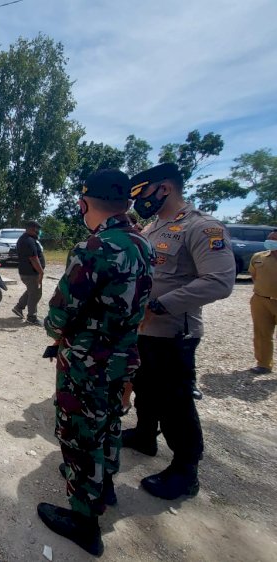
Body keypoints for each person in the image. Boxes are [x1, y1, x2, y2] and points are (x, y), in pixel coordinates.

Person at [37, 169, 153, 556]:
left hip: (88, 363)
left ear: (85, 203)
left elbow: (59, 313)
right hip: (123, 357)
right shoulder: (143, 243)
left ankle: (85, 521)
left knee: (79, 434)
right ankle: (104, 486)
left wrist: (56, 333)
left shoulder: (94, 247)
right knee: (109, 424)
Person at [123, 163, 235, 500]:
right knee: (144, 386)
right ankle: (144, 436)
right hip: (144, 331)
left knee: (175, 402)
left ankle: (186, 471)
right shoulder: (153, 228)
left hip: (174, 333)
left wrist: (158, 305)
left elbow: (219, 282)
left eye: (141, 194)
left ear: (165, 189)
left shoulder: (202, 228)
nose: (137, 202)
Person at [248, 230, 277, 374]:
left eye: (274, 239)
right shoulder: (258, 257)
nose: (271, 241)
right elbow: (254, 275)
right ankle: (263, 364)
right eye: (269, 238)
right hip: (261, 301)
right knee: (261, 333)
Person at [12, 220, 45, 325]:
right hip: (31, 273)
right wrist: (41, 272)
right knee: (35, 293)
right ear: (31, 229)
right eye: (37, 229)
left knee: (31, 291)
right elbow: (34, 259)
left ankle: (18, 307)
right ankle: (32, 317)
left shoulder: (26, 239)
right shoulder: (28, 241)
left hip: (27, 272)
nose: (38, 231)